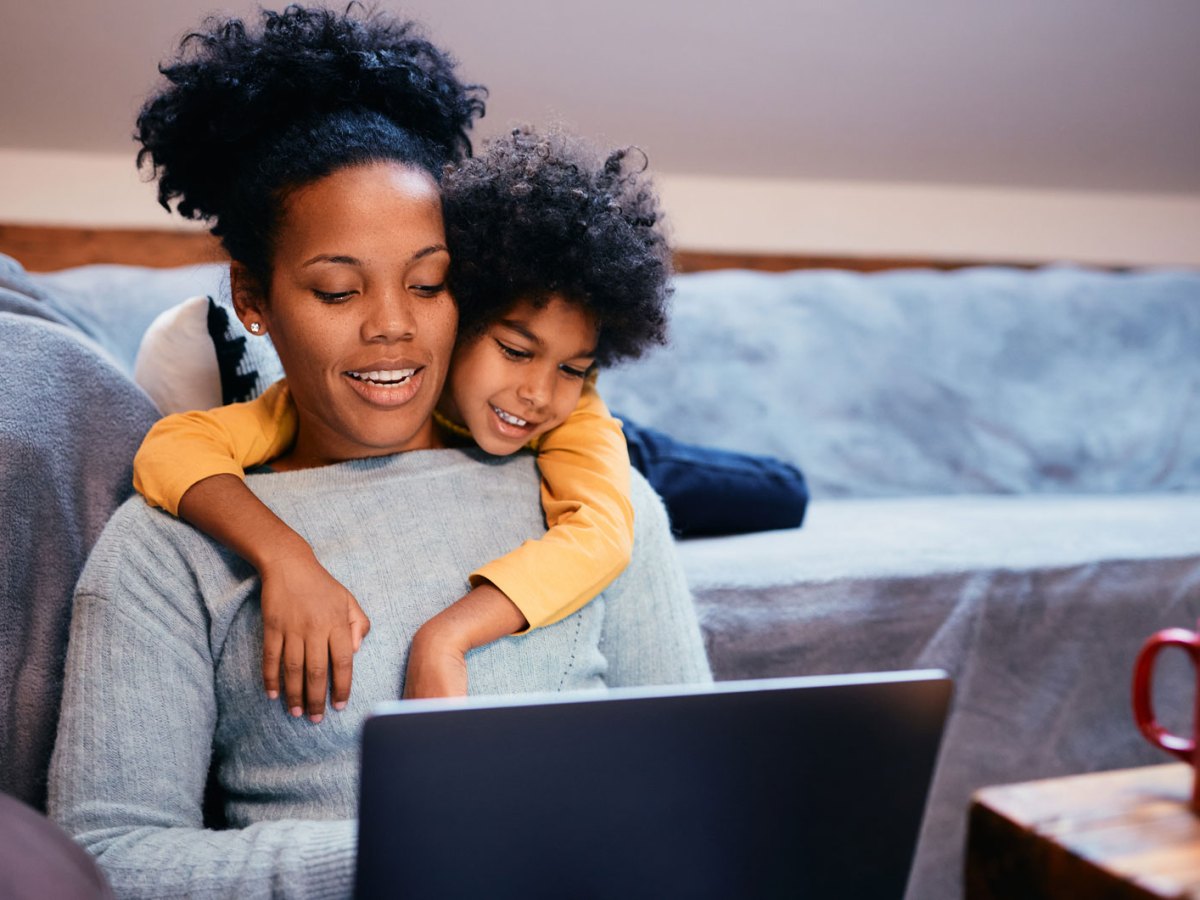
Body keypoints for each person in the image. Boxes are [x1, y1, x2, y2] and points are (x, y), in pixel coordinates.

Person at [48, 7, 710, 897]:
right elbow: (107, 857)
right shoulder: (164, 552)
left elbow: (703, 795)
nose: (393, 327)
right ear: (255, 297)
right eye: (335, 288)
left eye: (429, 284)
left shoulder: (593, 501)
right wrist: (414, 853)